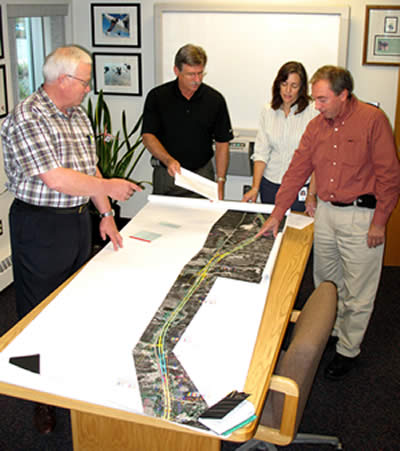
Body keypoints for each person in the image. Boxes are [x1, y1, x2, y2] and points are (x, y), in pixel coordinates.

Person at [1, 45, 141, 433]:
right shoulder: (27, 117)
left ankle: (73, 377)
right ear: (62, 80)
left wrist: (107, 213)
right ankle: (39, 398)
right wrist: (108, 186)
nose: (88, 88)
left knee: (78, 302)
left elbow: (87, 167)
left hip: (77, 222)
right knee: (38, 311)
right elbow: (57, 178)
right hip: (40, 225)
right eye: (84, 81)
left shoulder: (76, 114)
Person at [257, 65, 400, 380]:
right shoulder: (317, 126)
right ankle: (331, 332)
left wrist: (380, 221)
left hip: (361, 216)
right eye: (316, 100)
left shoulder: (372, 121)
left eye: (322, 100)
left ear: (343, 95)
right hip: (325, 213)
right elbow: (297, 169)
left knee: (358, 289)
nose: (316, 106)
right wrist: (277, 214)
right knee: (326, 284)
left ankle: (349, 349)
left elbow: (390, 175)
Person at [141, 43, 233, 200]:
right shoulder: (157, 97)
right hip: (167, 173)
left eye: (200, 73)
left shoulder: (215, 100)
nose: (197, 80)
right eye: (191, 74)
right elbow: (148, 136)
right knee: (163, 221)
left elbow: (222, 143)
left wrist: (221, 182)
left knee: (203, 221)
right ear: (176, 71)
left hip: (202, 174)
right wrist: (168, 160)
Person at [242, 61, 318, 211]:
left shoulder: (313, 111)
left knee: (295, 232)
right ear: (278, 85)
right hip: (270, 184)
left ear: (302, 88)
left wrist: (311, 194)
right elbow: (261, 153)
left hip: (300, 186)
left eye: (294, 86)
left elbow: (317, 157)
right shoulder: (268, 111)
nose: (288, 90)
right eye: (284, 84)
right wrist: (255, 187)